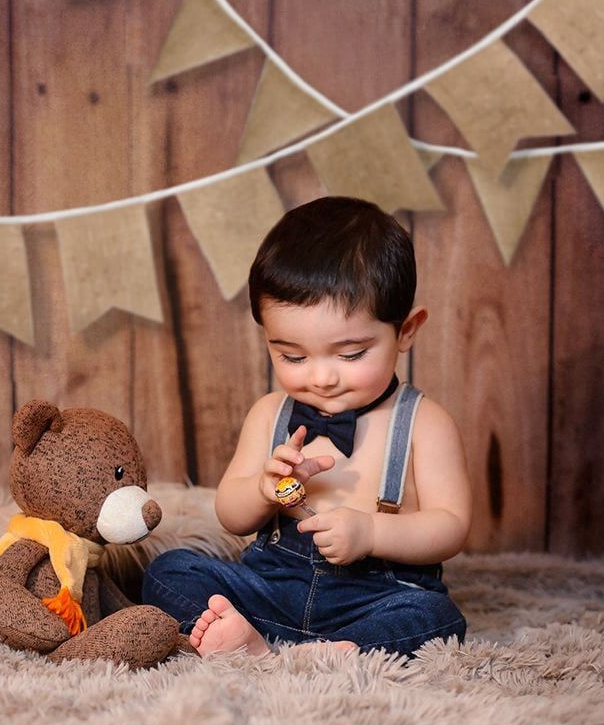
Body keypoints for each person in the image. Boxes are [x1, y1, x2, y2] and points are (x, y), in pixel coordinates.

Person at [142, 196, 471, 660]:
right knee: (168, 570)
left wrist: (372, 533)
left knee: (436, 619)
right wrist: (262, 490)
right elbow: (230, 515)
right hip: (272, 586)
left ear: (406, 331)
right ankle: (243, 637)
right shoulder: (270, 414)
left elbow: (450, 525)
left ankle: (343, 650)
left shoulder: (424, 423)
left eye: (351, 354)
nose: (320, 377)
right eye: (292, 357)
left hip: (374, 596)